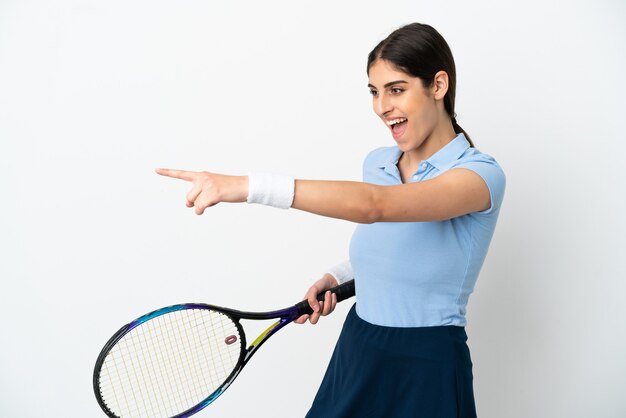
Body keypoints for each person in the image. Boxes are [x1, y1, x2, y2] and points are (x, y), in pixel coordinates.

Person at [156, 22, 505, 418]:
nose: (381, 107)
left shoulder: (479, 176)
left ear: (438, 86)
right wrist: (337, 278)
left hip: (427, 363)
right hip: (359, 347)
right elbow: (392, 243)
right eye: (374, 92)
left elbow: (376, 206)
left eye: (396, 89)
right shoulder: (378, 162)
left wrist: (247, 187)